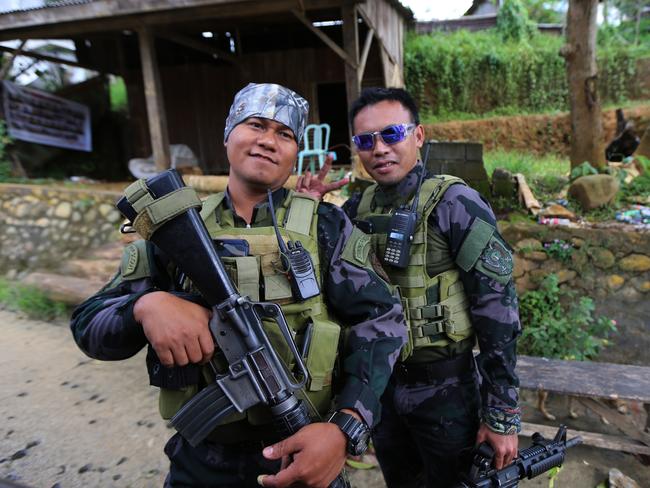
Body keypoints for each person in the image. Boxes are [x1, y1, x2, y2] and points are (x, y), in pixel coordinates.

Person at [70, 83, 407, 488]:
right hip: (204, 459)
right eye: (255, 125)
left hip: (303, 450)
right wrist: (146, 307)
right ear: (228, 133)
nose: (268, 141)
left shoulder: (326, 226)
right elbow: (89, 325)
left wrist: (346, 428)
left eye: (284, 134)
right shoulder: (175, 230)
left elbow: (383, 321)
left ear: (296, 152)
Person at [296, 87, 521, 488]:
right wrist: (306, 208)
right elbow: (321, 286)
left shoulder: (455, 203)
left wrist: (501, 414)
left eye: (392, 134)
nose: (379, 149)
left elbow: (498, 312)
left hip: (446, 389)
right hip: (380, 388)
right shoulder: (355, 210)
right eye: (366, 141)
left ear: (417, 136)